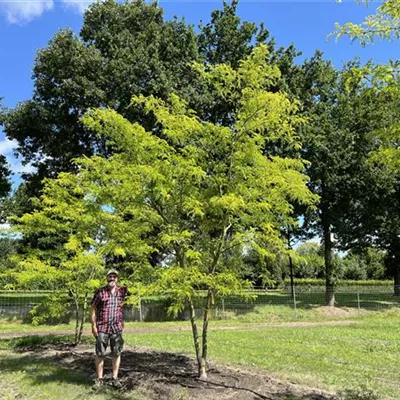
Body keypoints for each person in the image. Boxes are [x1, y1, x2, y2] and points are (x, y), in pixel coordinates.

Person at [91, 269, 129, 390]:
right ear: (107, 278)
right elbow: (93, 307)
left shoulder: (122, 291)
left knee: (116, 353)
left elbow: (125, 305)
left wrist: (122, 320)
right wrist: (93, 325)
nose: (112, 278)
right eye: (110, 277)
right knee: (100, 353)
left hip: (116, 328)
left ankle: (115, 378)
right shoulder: (100, 292)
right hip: (102, 327)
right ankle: (99, 380)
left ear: (117, 278)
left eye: (114, 277)